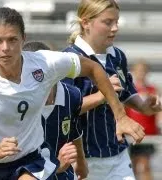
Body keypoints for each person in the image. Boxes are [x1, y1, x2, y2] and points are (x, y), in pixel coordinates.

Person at [0, 7, 144, 180]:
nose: (5, 48)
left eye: (12, 39)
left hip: (29, 160)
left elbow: (92, 68)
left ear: (24, 38)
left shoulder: (44, 64)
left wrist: (121, 116)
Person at [62, 0, 162, 179]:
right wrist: (102, 95)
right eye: (108, 22)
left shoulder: (117, 56)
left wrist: (143, 105)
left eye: (116, 21)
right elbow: (64, 110)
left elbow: (126, 93)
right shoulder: (68, 60)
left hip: (118, 156)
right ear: (86, 23)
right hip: (81, 160)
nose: (115, 28)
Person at [23, 41, 88, 180]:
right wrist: (56, 166)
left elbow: (74, 131)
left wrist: (81, 163)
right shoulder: (16, 102)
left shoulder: (72, 95)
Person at [126, 61, 160, 180]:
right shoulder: (130, 90)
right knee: (133, 165)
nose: (141, 74)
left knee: (145, 165)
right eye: (139, 71)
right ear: (134, 72)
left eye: (143, 71)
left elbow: (158, 110)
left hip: (148, 133)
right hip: (132, 132)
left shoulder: (152, 90)